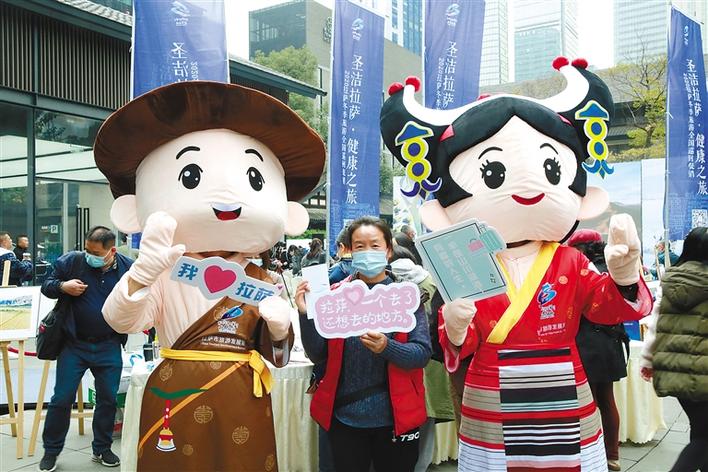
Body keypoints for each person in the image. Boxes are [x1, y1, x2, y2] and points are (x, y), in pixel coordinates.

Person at [380, 59, 653, 471]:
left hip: (563, 390)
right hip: (491, 394)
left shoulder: (570, 260)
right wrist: (455, 326)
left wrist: (624, 275)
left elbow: (604, 309)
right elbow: (459, 342)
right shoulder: (465, 260)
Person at [97, 80, 325, 471]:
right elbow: (118, 321)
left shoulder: (262, 279)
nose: (226, 203)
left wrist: (279, 330)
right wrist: (142, 274)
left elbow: (280, 359)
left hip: (241, 395)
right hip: (176, 393)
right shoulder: (165, 271)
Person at [295, 216, 431, 472]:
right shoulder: (334, 296)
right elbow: (318, 354)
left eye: (375, 245)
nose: (368, 252)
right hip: (345, 418)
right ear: (349, 250)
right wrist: (306, 315)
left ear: (388, 250)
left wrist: (387, 347)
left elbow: (421, 354)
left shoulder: (406, 297)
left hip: (396, 419)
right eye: (360, 246)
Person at [39, 226, 133, 472]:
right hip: (74, 344)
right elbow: (46, 285)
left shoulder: (127, 268)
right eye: (87, 250)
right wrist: (63, 286)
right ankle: (51, 451)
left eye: (96, 253)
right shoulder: (72, 261)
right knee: (62, 398)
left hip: (109, 344)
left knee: (108, 399)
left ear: (112, 251)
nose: (89, 255)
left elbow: (143, 295)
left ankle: (102, 448)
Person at [640, 227, 708, 472]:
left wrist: (647, 360)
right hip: (703, 372)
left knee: (700, 430)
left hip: (674, 368)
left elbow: (655, 323)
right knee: (703, 438)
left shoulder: (671, 279)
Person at [389, 246, 455, 472]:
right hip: (432, 360)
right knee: (426, 419)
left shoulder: (386, 283)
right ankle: (421, 466)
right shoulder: (432, 281)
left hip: (398, 358)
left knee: (401, 422)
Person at [568, 229, 628, 471]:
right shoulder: (613, 268)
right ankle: (612, 455)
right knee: (607, 399)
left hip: (586, 342)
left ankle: (589, 455)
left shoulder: (582, 270)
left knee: (588, 402)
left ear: (582, 249)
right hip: (611, 342)